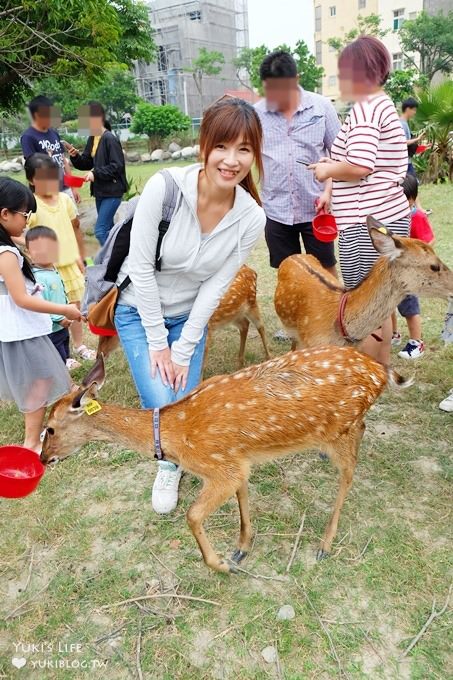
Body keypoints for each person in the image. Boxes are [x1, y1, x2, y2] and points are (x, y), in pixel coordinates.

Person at [115, 97, 266, 514]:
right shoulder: (165, 188)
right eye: (222, 146)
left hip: (189, 318)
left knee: (188, 403)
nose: (231, 160)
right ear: (204, 146)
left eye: (244, 149)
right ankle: (168, 466)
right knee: (162, 404)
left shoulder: (251, 217)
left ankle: (173, 460)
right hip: (138, 311)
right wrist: (159, 343)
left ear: (255, 154)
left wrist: (183, 348)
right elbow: (141, 269)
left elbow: (215, 287)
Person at [310, 36, 410, 367]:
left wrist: (325, 170)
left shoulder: (366, 108)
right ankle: (377, 370)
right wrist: (329, 189)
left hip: (368, 221)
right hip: (384, 216)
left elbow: (360, 165)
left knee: (367, 305)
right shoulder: (380, 104)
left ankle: (369, 376)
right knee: (379, 301)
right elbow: (356, 164)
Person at [0, 178, 81, 452]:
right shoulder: (6, 254)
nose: (27, 221)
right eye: (25, 214)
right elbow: (21, 299)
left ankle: (37, 435)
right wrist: (64, 309)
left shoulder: (7, 244)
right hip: (22, 330)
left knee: (42, 378)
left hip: (19, 329)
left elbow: (21, 238)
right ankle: (32, 442)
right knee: (39, 381)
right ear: (4, 214)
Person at [254, 51, 340, 280]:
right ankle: (296, 316)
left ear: (297, 79)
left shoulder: (321, 108)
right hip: (276, 209)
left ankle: (335, 315)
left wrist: (328, 193)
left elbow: (339, 156)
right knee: (288, 275)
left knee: (326, 270)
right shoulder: (256, 114)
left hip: (316, 207)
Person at [24, 153, 95, 367]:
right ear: (31, 181)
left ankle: (80, 345)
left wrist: (81, 256)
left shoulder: (65, 200)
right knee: (54, 312)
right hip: (48, 270)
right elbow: (23, 233)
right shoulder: (32, 205)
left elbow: (75, 228)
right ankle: (60, 353)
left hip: (70, 264)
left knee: (74, 307)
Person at [64, 102, 127, 245]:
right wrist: (75, 156)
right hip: (100, 192)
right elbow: (86, 162)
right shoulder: (93, 137)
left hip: (112, 192)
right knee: (109, 230)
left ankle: (112, 260)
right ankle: (117, 260)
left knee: (100, 230)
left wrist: (95, 174)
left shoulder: (109, 138)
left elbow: (117, 166)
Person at [391, 174, 434, 359]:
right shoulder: (391, 216)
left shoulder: (416, 217)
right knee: (387, 305)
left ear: (412, 199)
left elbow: (429, 241)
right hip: (392, 270)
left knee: (409, 306)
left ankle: (416, 342)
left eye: (403, 201)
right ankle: (393, 334)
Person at [20, 95, 80, 206]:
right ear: (37, 115)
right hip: (48, 192)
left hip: (65, 188)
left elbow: (63, 162)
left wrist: (74, 187)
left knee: (74, 222)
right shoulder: (28, 137)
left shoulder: (54, 133)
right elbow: (32, 169)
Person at [26, 226, 72, 366]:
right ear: (28, 252)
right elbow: (39, 304)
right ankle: (61, 383)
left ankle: (64, 376)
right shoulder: (38, 278)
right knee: (56, 360)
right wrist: (58, 318)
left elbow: (58, 295)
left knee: (63, 355)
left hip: (61, 327)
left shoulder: (53, 271)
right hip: (50, 330)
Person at [400, 97, 422, 177]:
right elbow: (403, 142)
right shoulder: (402, 124)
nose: (415, 112)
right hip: (404, 162)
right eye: (414, 110)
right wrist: (417, 139)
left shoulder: (404, 123)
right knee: (412, 184)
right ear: (408, 109)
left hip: (406, 161)